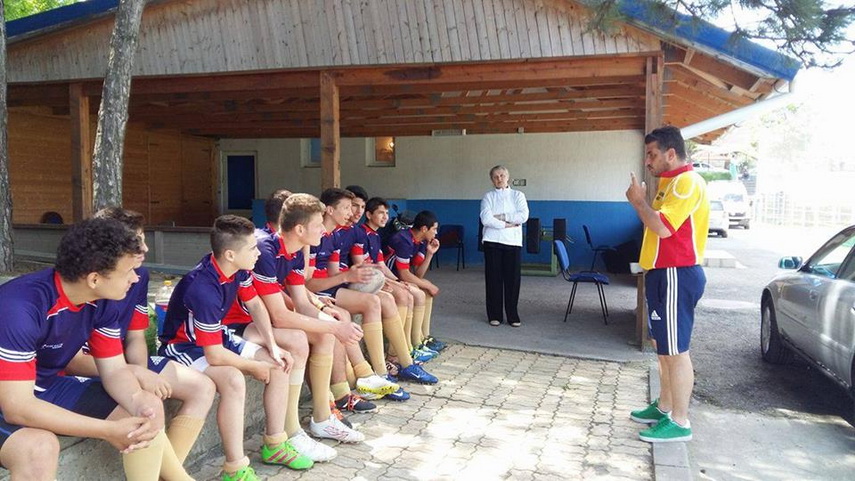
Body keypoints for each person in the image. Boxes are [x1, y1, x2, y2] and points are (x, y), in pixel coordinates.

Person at [0, 218, 173, 481]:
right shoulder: (20, 308)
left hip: (43, 387)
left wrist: (140, 402)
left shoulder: (102, 301)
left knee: (144, 409)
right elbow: (17, 407)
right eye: (127, 271)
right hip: (10, 399)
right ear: (94, 278)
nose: (135, 278)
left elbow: (114, 371)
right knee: (39, 448)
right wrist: (106, 430)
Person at [158, 215, 314, 480]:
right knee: (232, 379)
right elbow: (214, 355)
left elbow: (254, 305)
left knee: (278, 363)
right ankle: (235, 466)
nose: (258, 252)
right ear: (230, 254)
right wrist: (253, 366)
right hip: (183, 346)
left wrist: (273, 346)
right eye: (252, 248)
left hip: (217, 336)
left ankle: (275, 444)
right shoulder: (202, 287)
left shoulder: (238, 269)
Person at [65, 207, 216, 474]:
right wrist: (135, 378)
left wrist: (142, 373)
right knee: (144, 407)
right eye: (137, 242)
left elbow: (135, 336)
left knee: (202, 387)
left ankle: (165, 474)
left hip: (120, 363)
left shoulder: (140, 276)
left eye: (143, 239)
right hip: (92, 367)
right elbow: (73, 361)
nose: (144, 248)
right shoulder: (84, 284)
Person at [252, 193, 367, 449]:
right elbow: (280, 317)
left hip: (261, 321)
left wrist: (328, 319)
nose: (323, 230)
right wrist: (335, 325)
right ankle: (291, 430)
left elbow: (302, 303)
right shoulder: (265, 248)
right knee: (299, 339)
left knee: (324, 333)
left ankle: (321, 418)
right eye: (318, 224)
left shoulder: (293, 252)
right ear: (300, 228)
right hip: (241, 323)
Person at [625, 125, 709, 443]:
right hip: (661, 273)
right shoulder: (669, 184)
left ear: (671, 154)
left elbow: (662, 227)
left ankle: (680, 421)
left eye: (652, 154)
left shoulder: (686, 183)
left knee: (676, 351)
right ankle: (664, 407)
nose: (648, 161)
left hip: (677, 273)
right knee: (663, 349)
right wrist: (644, 202)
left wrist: (638, 202)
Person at [385, 210, 444, 355]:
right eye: (434, 229)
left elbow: (418, 274)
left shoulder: (421, 241)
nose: (436, 233)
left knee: (426, 290)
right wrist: (429, 285)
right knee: (420, 292)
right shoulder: (403, 239)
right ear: (424, 228)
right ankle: (415, 344)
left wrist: (430, 253)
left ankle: (424, 337)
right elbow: (405, 274)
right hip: (388, 278)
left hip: (398, 278)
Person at [479, 165, 529, 327]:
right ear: (492, 180)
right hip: (492, 242)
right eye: (495, 176)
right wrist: (507, 224)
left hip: (513, 242)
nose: (499, 179)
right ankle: (495, 315)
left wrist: (500, 216)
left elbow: (523, 216)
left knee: (512, 280)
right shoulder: (488, 197)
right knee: (493, 279)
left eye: (501, 175)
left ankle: (512, 315)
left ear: (507, 177)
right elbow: (486, 219)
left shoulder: (518, 195)